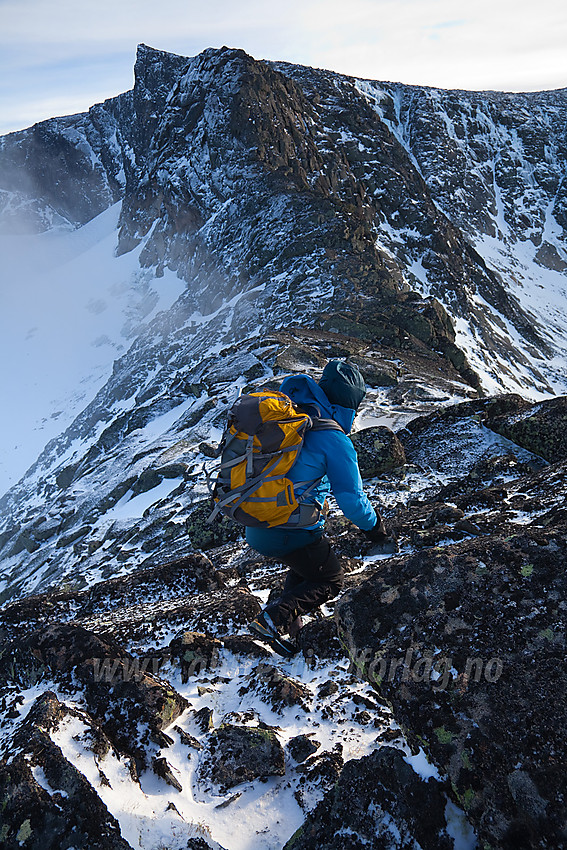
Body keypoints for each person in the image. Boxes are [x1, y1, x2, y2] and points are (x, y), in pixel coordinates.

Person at [248, 360, 391, 649]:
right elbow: (351, 501)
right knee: (330, 579)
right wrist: (377, 530)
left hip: (256, 522)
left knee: (306, 566)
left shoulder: (290, 420)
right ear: (348, 405)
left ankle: (290, 633)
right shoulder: (333, 438)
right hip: (288, 528)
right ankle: (275, 617)